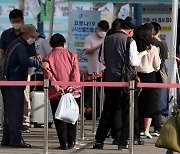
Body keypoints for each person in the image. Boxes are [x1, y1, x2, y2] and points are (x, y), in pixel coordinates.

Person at [93, 17, 141, 150]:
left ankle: (99, 141)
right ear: (130, 30)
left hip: (109, 79)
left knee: (108, 110)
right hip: (125, 81)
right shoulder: (130, 41)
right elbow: (134, 62)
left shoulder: (107, 39)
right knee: (127, 110)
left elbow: (102, 59)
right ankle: (122, 142)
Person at [1, 24, 50, 148]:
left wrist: (34, 51)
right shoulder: (20, 47)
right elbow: (24, 60)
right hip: (15, 83)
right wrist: (40, 64)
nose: (34, 38)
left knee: (9, 112)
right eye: (33, 36)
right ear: (26, 34)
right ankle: (16, 140)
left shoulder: (16, 43)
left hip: (9, 83)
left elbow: (27, 52)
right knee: (16, 112)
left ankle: (7, 138)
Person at [0, 9, 39, 133]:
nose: (16, 23)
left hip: (22, 72)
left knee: (23, 98)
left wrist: (35, 57)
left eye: (18, 21)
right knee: (13, 105)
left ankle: (24, 122)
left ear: (22, 20)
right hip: (11, 74)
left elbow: (31, 53)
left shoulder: (26, 38)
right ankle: (14, 135)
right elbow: (23, 58)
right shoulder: (7, 35)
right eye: (13, 21)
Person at [43, 34, 81, 150]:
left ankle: (63, 143)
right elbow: (75, 72)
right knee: (72, 117)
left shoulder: (48, 58)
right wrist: (72, 86)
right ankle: (72, 141)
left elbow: (48, 74)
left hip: (57, 92)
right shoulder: (71, 55)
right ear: (63, 43)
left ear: (51, 44)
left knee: (59, 118)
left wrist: (56, 85)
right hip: (72, 92)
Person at [134, 25, 161, 139]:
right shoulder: (153, 48)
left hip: (137, 76)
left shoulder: (134, 46)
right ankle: (146, 129)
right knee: (149, 103)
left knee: (138, 102)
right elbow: (157, 65)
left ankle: (138, 127)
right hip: (150, 76)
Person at [84, 20, 109, 118]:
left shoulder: (108, 38)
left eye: (104, 30)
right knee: (92, 94)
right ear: (97, 28)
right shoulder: (90, 38)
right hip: (93, 71)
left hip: (104, 71)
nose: (102, 31)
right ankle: (92, 114)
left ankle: (100, 113)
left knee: (102, 94)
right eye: (101, 29)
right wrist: (99, 46)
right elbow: (87, 51)